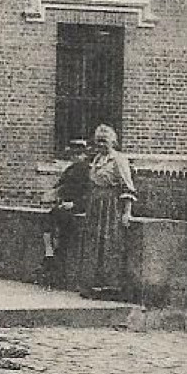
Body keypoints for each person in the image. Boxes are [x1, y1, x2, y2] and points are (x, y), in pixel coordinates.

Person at [77, 123, 136, 298]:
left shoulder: (118, 160)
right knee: (92, 242)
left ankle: (109, 286)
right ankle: (91, 284)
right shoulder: (96, 159)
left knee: (109, 242)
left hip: (110, 206)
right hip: (95, 205)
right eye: (98, 142)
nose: (101, 145)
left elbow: (128, 187)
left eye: (104, 141)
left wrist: (127, 212)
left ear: (113, 141)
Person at [40, 139, 92, 272]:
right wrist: (52, 195)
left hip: (78, 207)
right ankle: (49, 254)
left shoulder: (90, 172)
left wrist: (74, 204)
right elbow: (59, 187)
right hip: (64, 205)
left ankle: (57, 259)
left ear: (85, 155)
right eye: (73, 155)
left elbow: (89, 194)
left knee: (64, 223)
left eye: (79, 154)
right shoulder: (69, 170)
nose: (75, 157)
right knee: (50, 217)